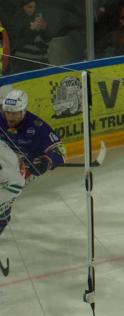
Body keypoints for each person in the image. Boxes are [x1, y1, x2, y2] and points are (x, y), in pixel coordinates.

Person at [0, 89, 66, 258]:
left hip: (25, 169)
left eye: (15, 113)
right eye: (7, 112)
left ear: (24, 110)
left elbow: (61, 152)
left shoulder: (38, 127)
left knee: (6, 198)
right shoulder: (1, 118)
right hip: (4, 159)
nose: (10, 117)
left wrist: (45, 162)